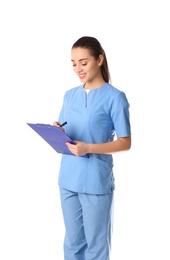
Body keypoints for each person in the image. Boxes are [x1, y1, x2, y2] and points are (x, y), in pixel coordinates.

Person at [53, 36, 131, 260]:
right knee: (72, 243)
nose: (78, 68)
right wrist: (57, 131)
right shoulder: (70, 95)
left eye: (83, 62)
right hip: (68, 179)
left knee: (96, 247)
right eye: (73, 63)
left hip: (95, 181)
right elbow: (67, 131)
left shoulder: (115, 98)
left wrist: (89, 148)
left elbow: (125, 142)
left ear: (99, 59)